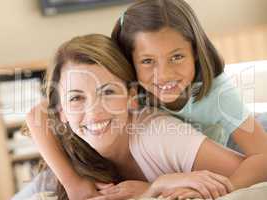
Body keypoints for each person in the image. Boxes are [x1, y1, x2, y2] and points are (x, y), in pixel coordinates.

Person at [20, 34, 248, 200]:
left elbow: (254, 170)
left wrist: (156, 186)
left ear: (131, 97)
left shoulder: (158, 136)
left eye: (108, 92)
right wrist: (73, 184)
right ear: (61, 113)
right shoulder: (69, 154)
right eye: (76, 98)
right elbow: (35, 114)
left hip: (229, 130)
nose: (93, 112)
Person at [110, 0, 267, 196]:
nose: (165, 74)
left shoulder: (217, 92)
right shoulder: (130, 92)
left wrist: (224, 188)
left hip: (232, 141)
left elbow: (263, 155)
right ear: (130, 62)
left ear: (195, 51)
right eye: (147, 61)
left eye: (176, 57)